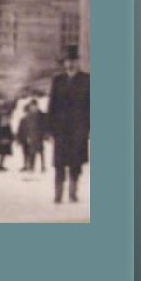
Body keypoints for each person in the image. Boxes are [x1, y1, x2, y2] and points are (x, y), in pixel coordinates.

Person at [47, 45, 90, 203]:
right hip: (61, 129)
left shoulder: (87, 80)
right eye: (67, 61)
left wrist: (89, 127)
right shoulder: (58, 81)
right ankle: (58, 194)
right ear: (64, 63)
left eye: (73, 61)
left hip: (79, 129)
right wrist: (49, 128)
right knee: (59, 163)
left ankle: (73, 192)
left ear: (78, 62)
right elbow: (51, 105)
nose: (70, 64)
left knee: (75, 163)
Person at [16, 99, 47, 172]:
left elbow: (45, 125)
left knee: (40, 151)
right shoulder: (27, 116)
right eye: (32, 106)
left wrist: (45, 134)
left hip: (39, 135)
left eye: (34, 106)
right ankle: (30, 166)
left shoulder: (41, 115)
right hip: (30, 135)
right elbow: (24, 126)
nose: (33, 107)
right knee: (31, 151)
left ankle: (42, 166)